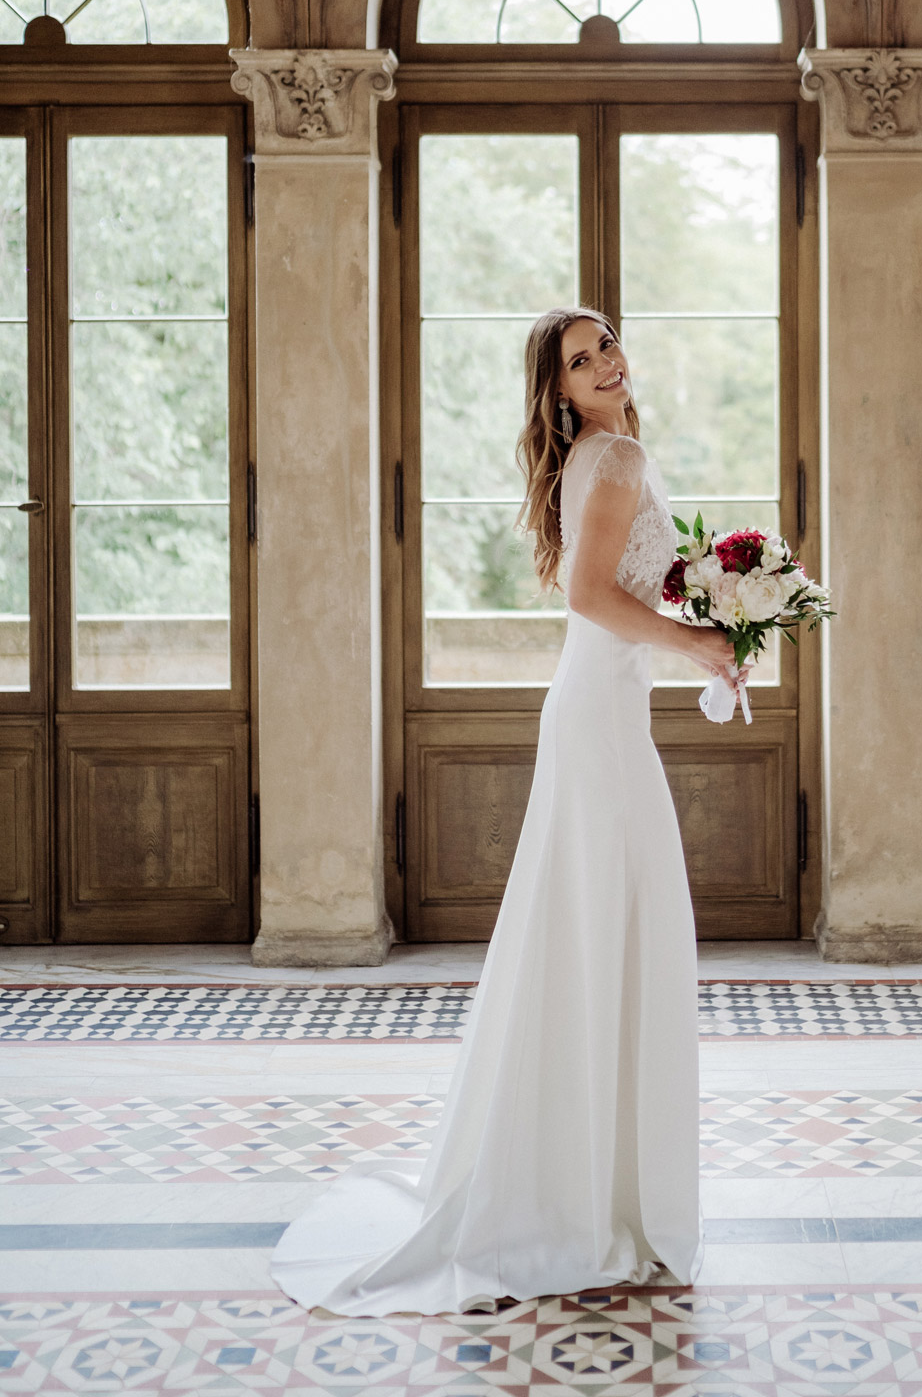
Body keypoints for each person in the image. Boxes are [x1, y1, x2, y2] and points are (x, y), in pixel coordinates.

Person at [270, 307, 738, 1316]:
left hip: (600, 715)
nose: (606, 360)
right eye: (582, 358)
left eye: (606, 342)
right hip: (600, 724)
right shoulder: (613, 457)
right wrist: (695, 643)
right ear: (560, 393)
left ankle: (590, 1185)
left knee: (595, 935)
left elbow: (616, 588)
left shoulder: (606, 456)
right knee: (599, 935)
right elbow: (588, 599)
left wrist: (715, 613)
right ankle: (583, 1201)